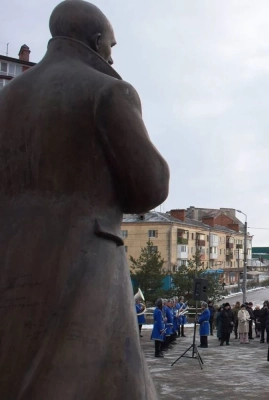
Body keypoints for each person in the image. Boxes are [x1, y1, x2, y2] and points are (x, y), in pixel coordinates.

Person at [0, 0, 170, 398]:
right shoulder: (108, 91)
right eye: (111, 45)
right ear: (96, 41)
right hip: (84, 261)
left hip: (10, 257)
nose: (112, 56)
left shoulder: (6, 99)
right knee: (91, 375)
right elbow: (149, 187)